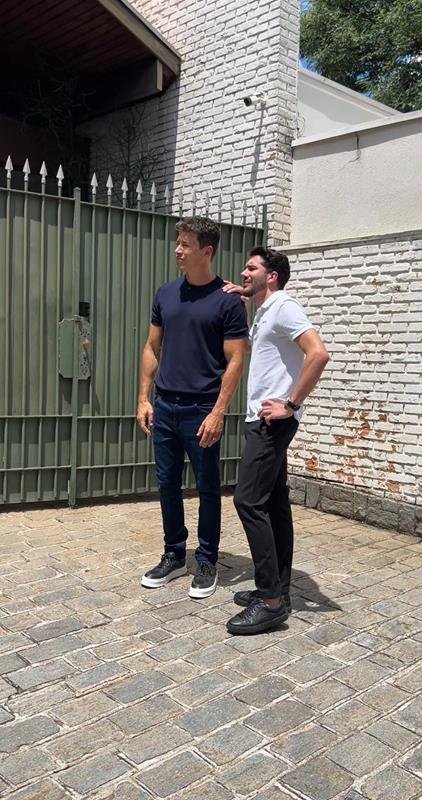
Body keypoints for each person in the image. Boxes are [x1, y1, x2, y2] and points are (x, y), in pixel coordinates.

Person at [137, 216, 248, 599]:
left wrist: (218, 412)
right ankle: (174, 554)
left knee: (207, 488)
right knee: (167, 484)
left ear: (207, 251)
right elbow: (152, 347)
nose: (178, 250)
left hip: (202, 409)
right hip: (165, 406)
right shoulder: (166, 294)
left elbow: (236, 359)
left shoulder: (228, 300)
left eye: (185, 244)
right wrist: (143, 398)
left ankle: (206, 560)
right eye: (178, 243)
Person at [223, 247, 329, 634]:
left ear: (272, 276)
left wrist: (291, 404)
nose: (243, 272)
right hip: (264, 419)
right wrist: (243, 297)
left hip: (272, 421)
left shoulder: (284, 307)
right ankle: (278, 590)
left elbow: (318, 354)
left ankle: (269, 602)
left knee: (247, 501)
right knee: (274, 503)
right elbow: (268, 351)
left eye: (251, 268)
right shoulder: (266, 311)